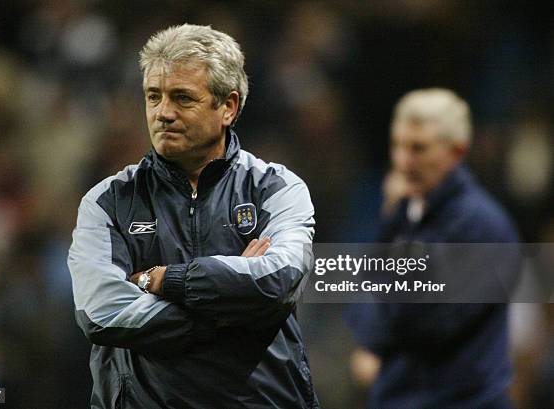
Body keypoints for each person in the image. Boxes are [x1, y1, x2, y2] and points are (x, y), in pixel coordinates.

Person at [67, 24, 319, 409]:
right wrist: (232, 308)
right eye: (153, 97)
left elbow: (279, 280)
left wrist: (163, 279)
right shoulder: (107, 202)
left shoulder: (277, 188)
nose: (163, 113)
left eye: (182, 98)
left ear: (228, 107)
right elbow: (102, 313)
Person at [346, 88, 519, 409]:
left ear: (457, 152)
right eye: (397, 145)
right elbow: (356, 299)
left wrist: (373, 336)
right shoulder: (404, 214)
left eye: (418, 148)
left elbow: (425, 321)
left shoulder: (481, 226)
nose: (402, 161)